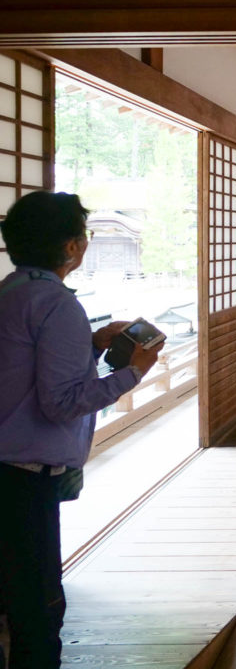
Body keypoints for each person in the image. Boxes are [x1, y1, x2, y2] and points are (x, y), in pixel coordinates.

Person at [0, 191, 163, 668]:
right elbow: (62, 403)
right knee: (38, 611)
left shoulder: (12, 292)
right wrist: (133, 371)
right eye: (84, 236)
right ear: (72, 248)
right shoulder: (57, 304)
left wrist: (91, 346)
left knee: (14, 602)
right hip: (25, 478)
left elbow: (27, 378)